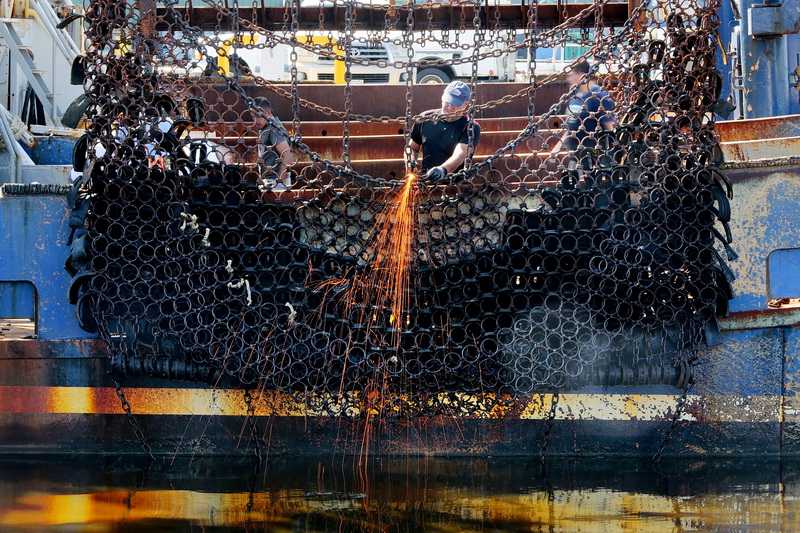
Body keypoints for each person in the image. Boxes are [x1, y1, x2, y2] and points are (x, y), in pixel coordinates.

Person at [408, 81, 481, 183]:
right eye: (447, 101)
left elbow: (460, 153)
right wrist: (410, 161)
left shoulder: (470, 127)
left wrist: (443, 169)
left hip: (455, 184)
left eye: (455, 104)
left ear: (466, 104)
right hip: (428, 181)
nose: (449, 107)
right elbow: (412, 147)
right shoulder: (425, 118)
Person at [561, 60, 616, 152]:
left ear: (581, 75)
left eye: (572, 75)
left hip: (593, 157)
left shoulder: (599, 96)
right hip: (575, 155)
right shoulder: (576, 97)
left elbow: (610, 127)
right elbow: (570, 128)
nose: (569, 79)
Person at [252, 96, 293, 191]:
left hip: (275, 182)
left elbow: (288, 156)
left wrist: (279, 181)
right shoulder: (266, 127)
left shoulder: (274, 129)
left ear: (268, 113)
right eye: (253, 117)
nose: (255, 121)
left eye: (258, 116)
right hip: (270, 180)